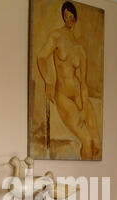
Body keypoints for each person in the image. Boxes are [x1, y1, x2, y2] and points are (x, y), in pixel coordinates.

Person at [37, 1, 101, 160]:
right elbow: (41, 58)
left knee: (97, 144)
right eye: (66, 17)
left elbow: (84, 83)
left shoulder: (80, 48)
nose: (69, 20)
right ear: (63, 18)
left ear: (75, 19)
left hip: (79, 94)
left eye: (72, 17)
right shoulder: (56, 36)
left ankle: (90, 178)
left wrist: (84, 109)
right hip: (63, 95)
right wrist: (48, 81)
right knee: (86, 141)